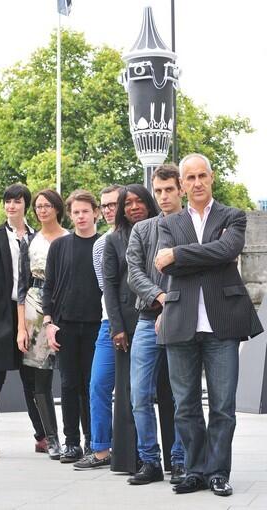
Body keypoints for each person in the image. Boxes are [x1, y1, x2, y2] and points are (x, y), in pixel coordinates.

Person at [155, 153, 263, 497]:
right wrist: (208, 254)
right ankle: (196, 469)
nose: (197, 183)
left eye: (203, 176)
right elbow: (164, 265)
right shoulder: (168, 224)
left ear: (211, 178)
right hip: (180, 321)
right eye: (191, 178)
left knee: (222, 406)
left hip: (223, 323)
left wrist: (181, 254)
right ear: (183, 184)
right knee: (185, 404)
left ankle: (218, 472)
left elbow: (228, 248)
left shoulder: (232, 216)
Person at [0, 183, 46, 458]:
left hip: (30, 314)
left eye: (16, 201)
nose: (11, 206)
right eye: (7, 201)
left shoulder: (36, 237)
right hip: (2, 315)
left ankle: (42, 436)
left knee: (31, 380)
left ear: (25, 205)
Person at [126, 165, 185, 485]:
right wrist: (161, 297)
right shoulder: (142, 230)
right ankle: (149, 461)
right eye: (158, 190)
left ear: (180, 190)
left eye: (169, 190)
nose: (163, 196)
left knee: (180, 394)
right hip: (148, 319)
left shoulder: (193, 225)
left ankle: (179, 460)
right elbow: (133, 273)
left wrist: (172, 303)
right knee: (139, 394)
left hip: (183, 319)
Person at [42, 189, 102, 463]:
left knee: (91, 384)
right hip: (65, 324)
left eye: (85, 211)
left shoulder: (104, 245)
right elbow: (49, 286)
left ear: (96, 213)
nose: (80, 217)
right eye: (75, 212)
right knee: (67, 384)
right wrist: (48, 322)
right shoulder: (59, 246)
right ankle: (72, 442)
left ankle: (93, 440)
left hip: (96, 325)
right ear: (70, 215)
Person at [103, 184, 158, 474]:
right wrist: (116, 328)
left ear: (149, 203)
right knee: (128, 393)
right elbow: (109, 287)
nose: (134, 207)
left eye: (139, 201)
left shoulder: (166, 229)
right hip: (127, 322)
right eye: (128, 203)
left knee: (167, 390)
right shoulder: (114, 240)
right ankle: (128, 458)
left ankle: (174, 458)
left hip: (163, 316)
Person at [17, 189, 69, 460]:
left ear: (58, 208)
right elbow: (21, 287)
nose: (42, 210)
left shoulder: (70, 239)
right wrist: (21, 327)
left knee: (75, 378)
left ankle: (80, 439)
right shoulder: (30, 241)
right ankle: (52, 439)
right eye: (38, 206)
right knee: (40, 378)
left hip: (66, 307)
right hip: (35, 310)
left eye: (47, 205)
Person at [73, 184, 122, 470]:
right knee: (98, 385)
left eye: (112, 204)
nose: (107, 210)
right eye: (104, 206)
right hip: (109, 323)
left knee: (138, 392)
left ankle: (144, 451)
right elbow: (107, 289)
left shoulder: (141, 233)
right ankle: (101, 450)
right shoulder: (101, 244)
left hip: (142, 320)